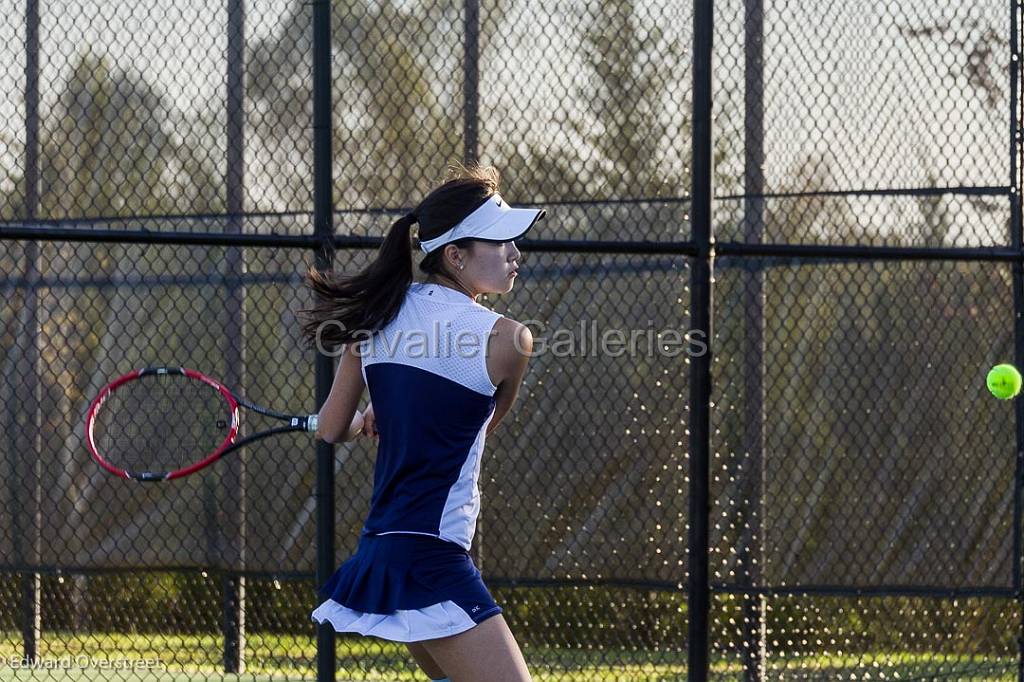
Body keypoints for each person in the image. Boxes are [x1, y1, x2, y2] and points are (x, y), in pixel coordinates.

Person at [300, 165, 543, 682]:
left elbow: (329, 428)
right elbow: (475, 429)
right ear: (454, 255)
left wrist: (374, 416)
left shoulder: (376, 317)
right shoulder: (509, 339)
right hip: (431, 558)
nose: (515, 255)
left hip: (384, 549)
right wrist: (397, 418)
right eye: (501, 243)